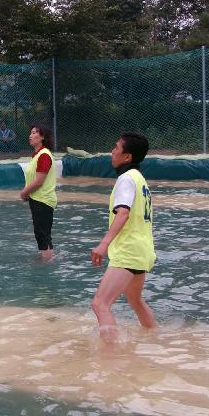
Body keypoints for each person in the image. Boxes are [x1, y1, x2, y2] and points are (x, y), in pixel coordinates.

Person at [90, 132, 157, 343]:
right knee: (135, 301)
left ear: (127, 156)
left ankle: (111, 360)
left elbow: (124, 212)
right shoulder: (140, 180)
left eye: (116, 148)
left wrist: (103, 244)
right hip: (142, 250)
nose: (112, 151)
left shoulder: (126, 179)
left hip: (128, 251)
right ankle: (157, 339)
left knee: (100, 304)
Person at [19, 125, 57, 262]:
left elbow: (39, 181)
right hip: (37, 199)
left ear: (42, 137)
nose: (30, 135)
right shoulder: (37, 155)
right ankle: (47, 258)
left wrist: (24, 192)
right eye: (30, 132)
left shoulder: (44, 155)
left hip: (43, 200)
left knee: (42, 234)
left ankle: (45, 262)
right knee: (42, 234)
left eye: (34, 133)